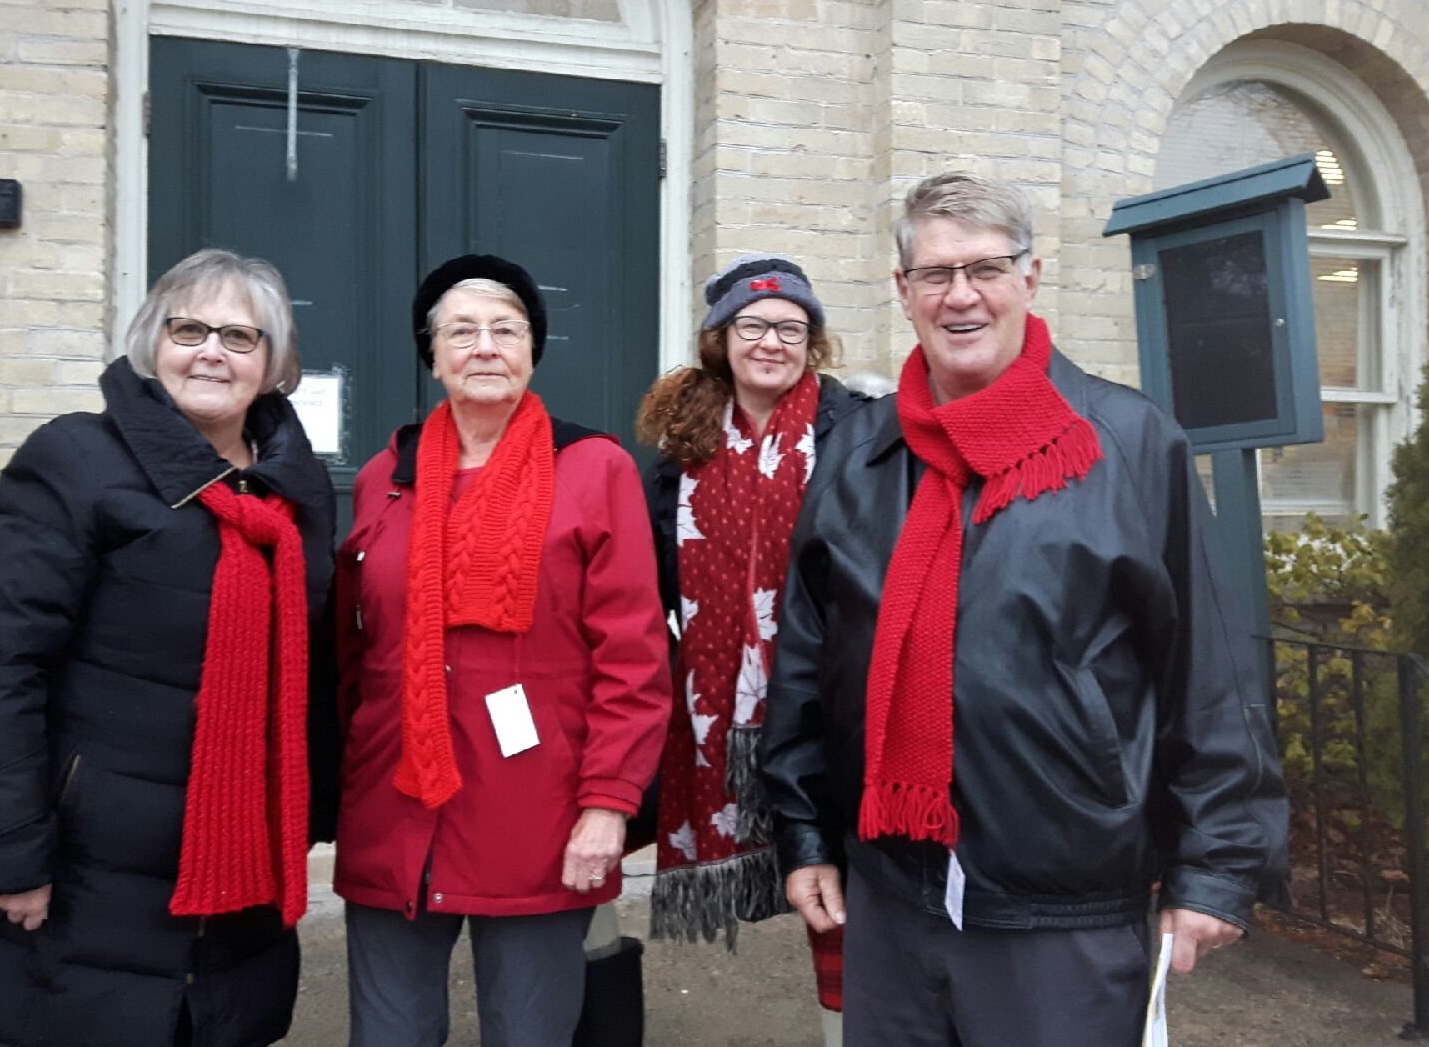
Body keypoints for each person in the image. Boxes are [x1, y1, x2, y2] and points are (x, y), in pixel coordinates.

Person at [760, 172, 1288, 1046]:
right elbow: (810, 654)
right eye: (935, 274)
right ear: (903, 291)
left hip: (1063, 908)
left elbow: (1206, 663)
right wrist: (805, 831)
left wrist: (1219, 865)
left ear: (1031, 278)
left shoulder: (1124, 440)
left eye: (987, 269)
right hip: (891, 894)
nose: (961, 295)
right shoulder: (859, 449)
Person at [0, 249, 340, 1047]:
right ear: (152, 341)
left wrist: (314, 806)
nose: (212, 352)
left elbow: (311, 670)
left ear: (276, 364)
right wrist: (5, 850)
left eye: (240, 337)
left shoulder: (295, 492)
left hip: (240, 867)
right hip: (90, 867)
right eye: (189, 329)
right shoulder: (77, 461)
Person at [333, 254, 671, 1047]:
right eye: (462, 331)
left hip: (538, 807)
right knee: (388, 1035)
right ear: (433, 353)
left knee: (529, 1032)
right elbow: (356, 644)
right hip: (395, 801)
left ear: (532, 349)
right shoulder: (387, 474)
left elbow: (634, 657)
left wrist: (607, 806)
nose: (484, 346)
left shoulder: (594, 469)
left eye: (505, 330)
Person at [637, 255, 867, 1040]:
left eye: (791, 329)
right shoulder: (679, 452)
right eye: (754, 325)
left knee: (845, 892)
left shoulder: (858, 431)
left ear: (814, 343)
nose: (772, 342)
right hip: (711, 705)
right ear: (721, 336)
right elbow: (652, 578)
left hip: (830, 693)